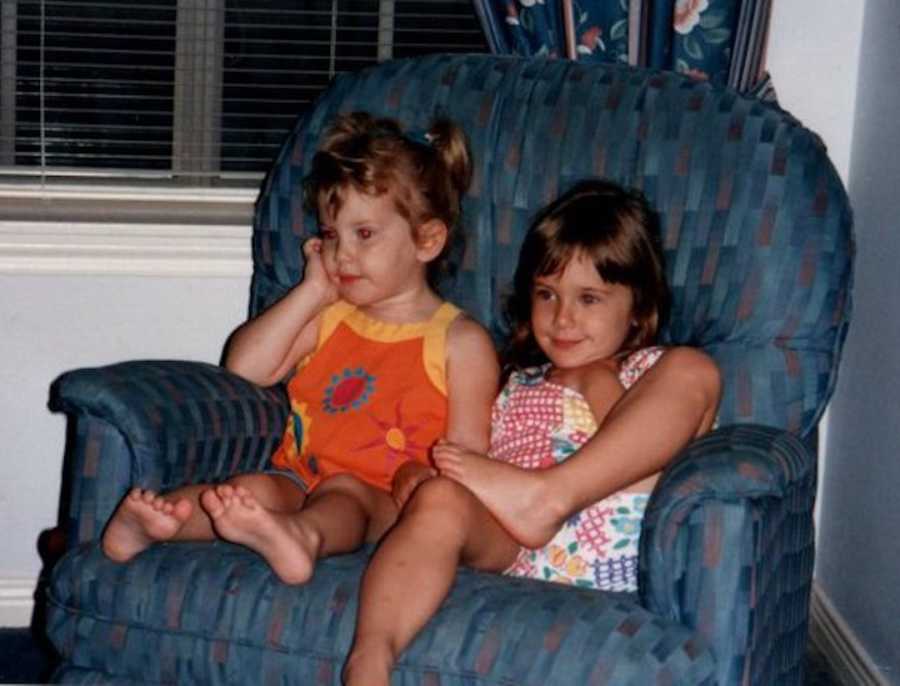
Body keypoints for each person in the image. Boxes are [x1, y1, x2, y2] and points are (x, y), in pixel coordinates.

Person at [342, 179, 721, 685]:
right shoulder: (515, 382)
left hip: (604, 530)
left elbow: (649, 453)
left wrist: (599, 381)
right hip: (512, 541)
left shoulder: (645, 371)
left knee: (696, 369)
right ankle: (371, 657)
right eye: (547, 294)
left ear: (637, 308)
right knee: (440, 499)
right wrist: (418, 478)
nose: (562, 318)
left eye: (589, 298)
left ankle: (549, 494)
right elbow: (470, 461)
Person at [99, 111, 499, 586]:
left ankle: (301, 539)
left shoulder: (460, 341)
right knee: (244, 491)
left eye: (364, 234)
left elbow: (472, 457)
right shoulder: (330, 316)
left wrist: (427, 485)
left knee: (343, 493)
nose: (342, 253)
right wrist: (312, 292)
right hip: (296, 477)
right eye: (331, 235)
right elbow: (245, 369)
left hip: (389, 504)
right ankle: (157, 525)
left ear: (427, 240)